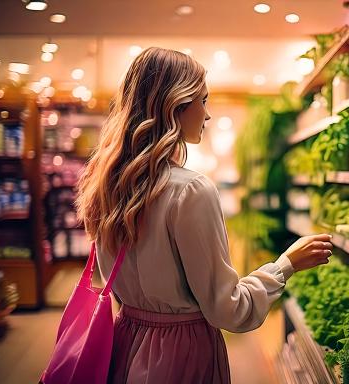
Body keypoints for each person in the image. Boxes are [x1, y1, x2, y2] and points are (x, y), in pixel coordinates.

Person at [75, 47, 333, 384]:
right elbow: (228, 309)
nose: (207, 115)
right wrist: (285, 265)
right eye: (203, 101)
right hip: (182, 355)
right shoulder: (191, 190)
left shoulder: (106, 186)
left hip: (125, 344)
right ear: (176, 106)